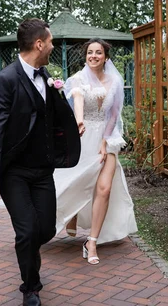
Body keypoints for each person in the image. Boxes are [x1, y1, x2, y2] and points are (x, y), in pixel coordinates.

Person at [0, 18, 80, 306]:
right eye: (51, 41)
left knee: (45, 229)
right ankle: (30, 288)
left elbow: (50, 117)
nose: (53, 46)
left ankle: (30, 255)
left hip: (43, 170)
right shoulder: (5, 80)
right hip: (13, 172)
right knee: (27, 231)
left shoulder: (45, 76)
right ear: (39, 44)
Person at [54, 38, 137, 265]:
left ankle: (91, 241)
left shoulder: (115, 81)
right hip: (81, 139)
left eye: (98, 52)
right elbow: (78, 99)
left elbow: (114, 113)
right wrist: (79, 121)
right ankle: (70, 216)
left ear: (105, 57)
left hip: (107, 139)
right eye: (90, 52)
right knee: (76, 181)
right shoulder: (76, 79)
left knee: (104, 188)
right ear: (86, 56)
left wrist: (105, 140)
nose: (93, 56)